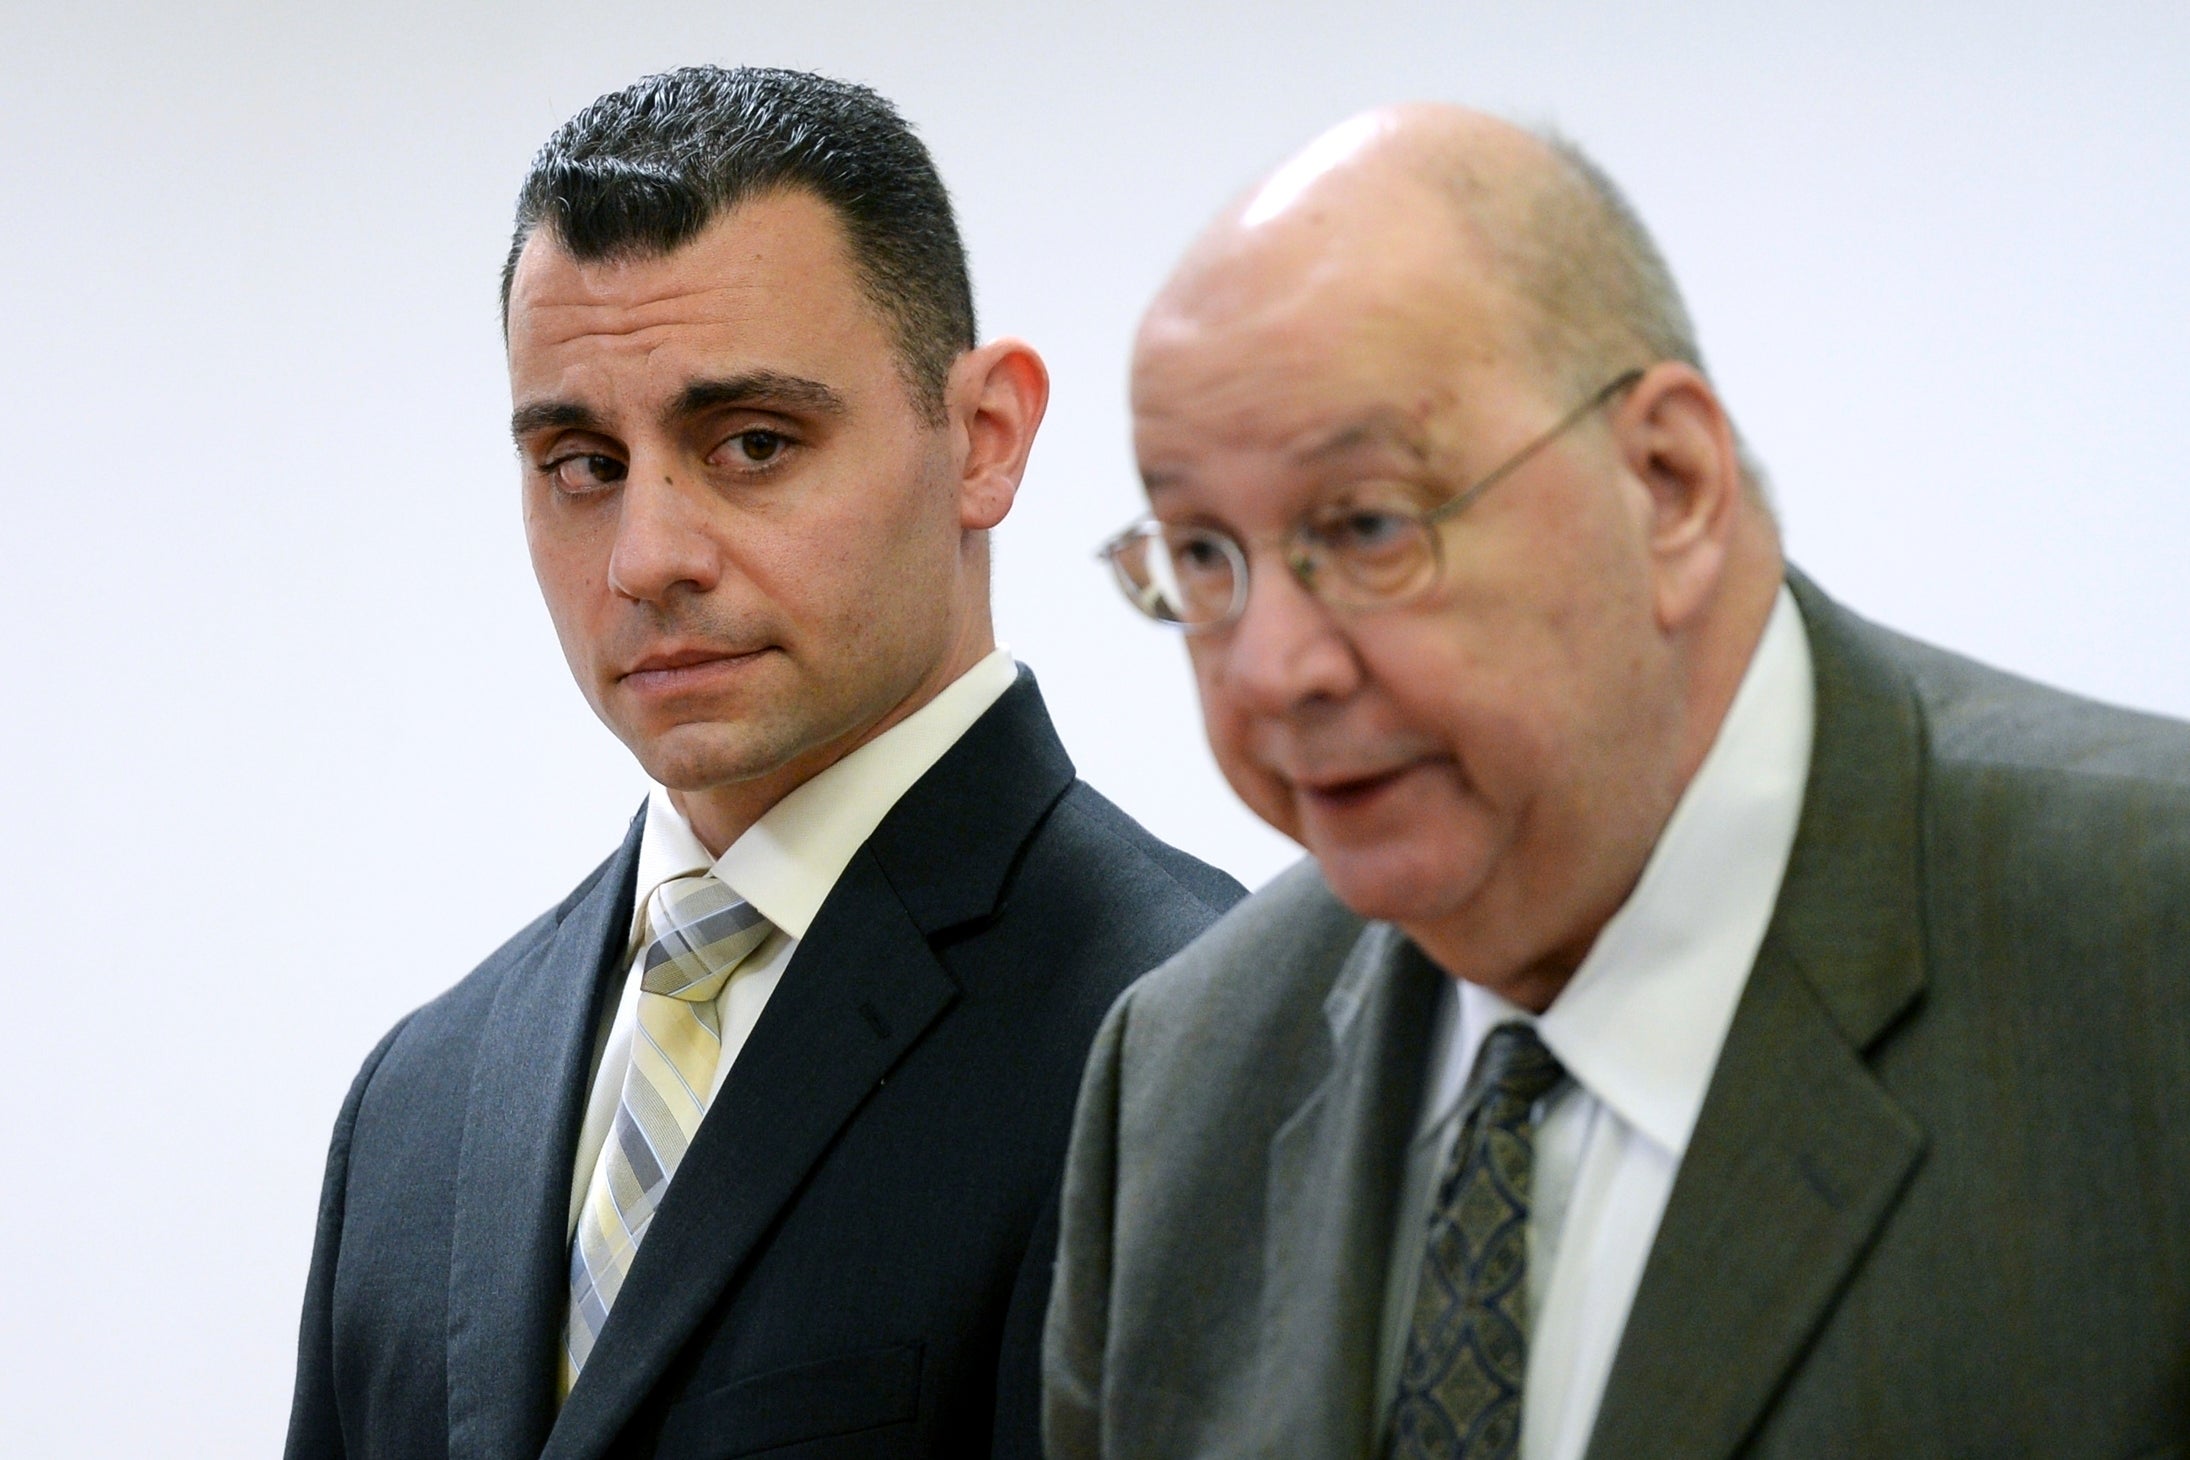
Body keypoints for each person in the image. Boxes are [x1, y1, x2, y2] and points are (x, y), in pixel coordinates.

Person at [1044, 104, 2190, 1459]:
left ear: (1668, 483)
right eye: (1202, 557)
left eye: (1364, 526)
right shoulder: (1182, 1075)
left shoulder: (2142, 958)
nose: (1273, 667)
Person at [283, 66, 1241, 1460]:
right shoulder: (420, 1100)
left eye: (751, 443)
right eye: (581, 464)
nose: (648, 558)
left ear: (983, 440)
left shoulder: (1193, 1035)